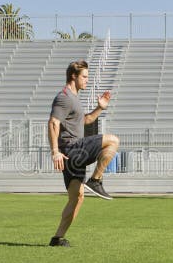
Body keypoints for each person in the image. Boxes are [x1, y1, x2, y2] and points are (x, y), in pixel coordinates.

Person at [47, 60, 120, 247]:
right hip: (72, 148)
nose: (87, 80)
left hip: (71, 155)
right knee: (113, 140)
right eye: (85, 77)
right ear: (74, 76)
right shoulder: (64, 97)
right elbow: (53, 123)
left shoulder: (74, 98)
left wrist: (100, 108)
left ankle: (57, 238)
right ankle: (95, 180)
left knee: (77, 197)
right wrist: (55, 151)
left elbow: (85, 120)